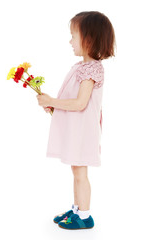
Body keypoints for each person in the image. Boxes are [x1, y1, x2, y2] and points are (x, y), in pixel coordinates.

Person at [36, 11, 116, 230]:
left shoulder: (92, 69)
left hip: (84, 131)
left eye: (73, 36)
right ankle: (77, 209)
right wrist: (54, 105)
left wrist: (53, 100)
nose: (70, 41)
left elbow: (80, 103)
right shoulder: (82, 67)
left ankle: (85, 215)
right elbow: (74, 101)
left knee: (80, 173)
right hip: (78, 128)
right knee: (76, 170)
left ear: (88, 39)